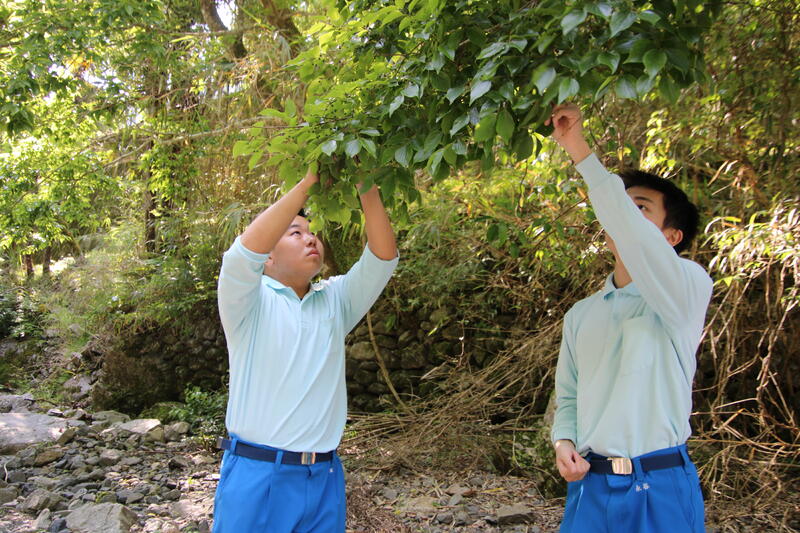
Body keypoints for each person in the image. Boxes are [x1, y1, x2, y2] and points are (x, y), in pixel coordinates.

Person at [547, 104, 713, 532]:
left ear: (671, 236)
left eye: (640, 207)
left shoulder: (687, 289)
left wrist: (578, 149)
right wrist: (563, 442)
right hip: (591, 488)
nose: (624, 214)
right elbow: (569, 397)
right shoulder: (582, 314)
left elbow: (635, 238)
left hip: (661, 485)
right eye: (622, 206)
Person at [213, 167, 398, 532]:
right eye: (295, 233)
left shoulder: (334, 300)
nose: (310, 238)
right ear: (268, 257)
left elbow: (383, 258)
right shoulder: (247, 302)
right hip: (258, 474)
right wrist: (308, 183)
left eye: (313, 232)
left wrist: (363, 179)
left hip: (324, 477)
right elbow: (241, 255)